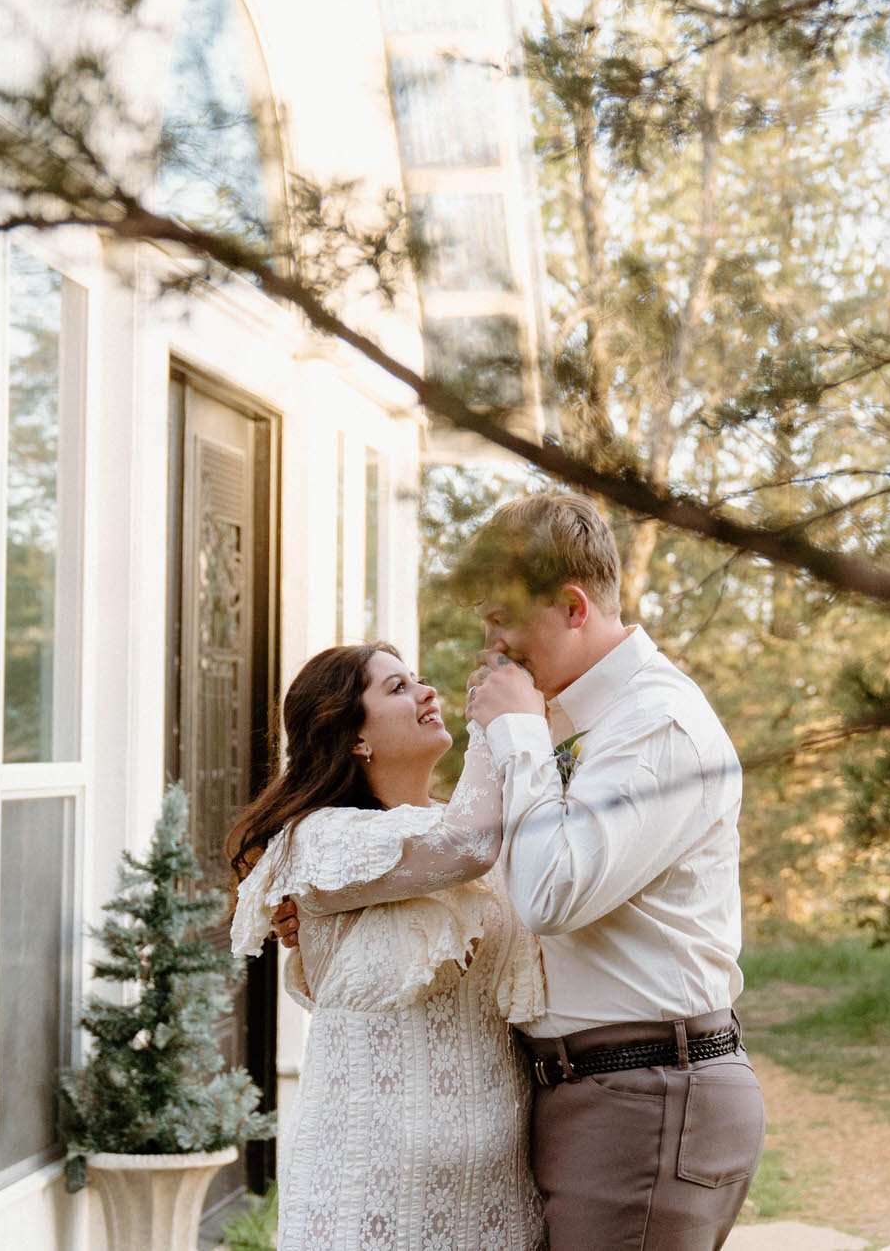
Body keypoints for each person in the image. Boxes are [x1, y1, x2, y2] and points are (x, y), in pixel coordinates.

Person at [279, 492, 765, 1250]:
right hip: (582, 1098)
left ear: (572, 606)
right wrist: (338, 918)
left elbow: (548, 893)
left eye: (503, 616)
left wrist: (513, 729)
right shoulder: (574, 722)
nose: (494, 642)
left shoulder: (653, 725)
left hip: (646, 1091)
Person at [226, 643, 546, 1251]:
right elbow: (465, 847)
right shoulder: (320, 842)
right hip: (369, 1185)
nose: (427, 693)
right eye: (398, 688)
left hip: (496, 1190)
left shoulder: (464, 824)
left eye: (420, 681)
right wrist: (495, 724)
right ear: (354, 738)